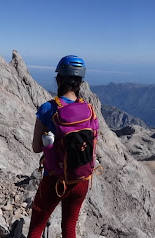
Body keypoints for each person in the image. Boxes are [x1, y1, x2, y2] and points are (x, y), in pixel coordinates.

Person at [28, 55, 99, 238]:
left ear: (59, 79)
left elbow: (36, 147)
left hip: (55, 180)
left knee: (36, 229)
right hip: (81, 179)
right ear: (80, 83)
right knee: (69, 227)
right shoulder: (89, 110)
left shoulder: (47, 109)